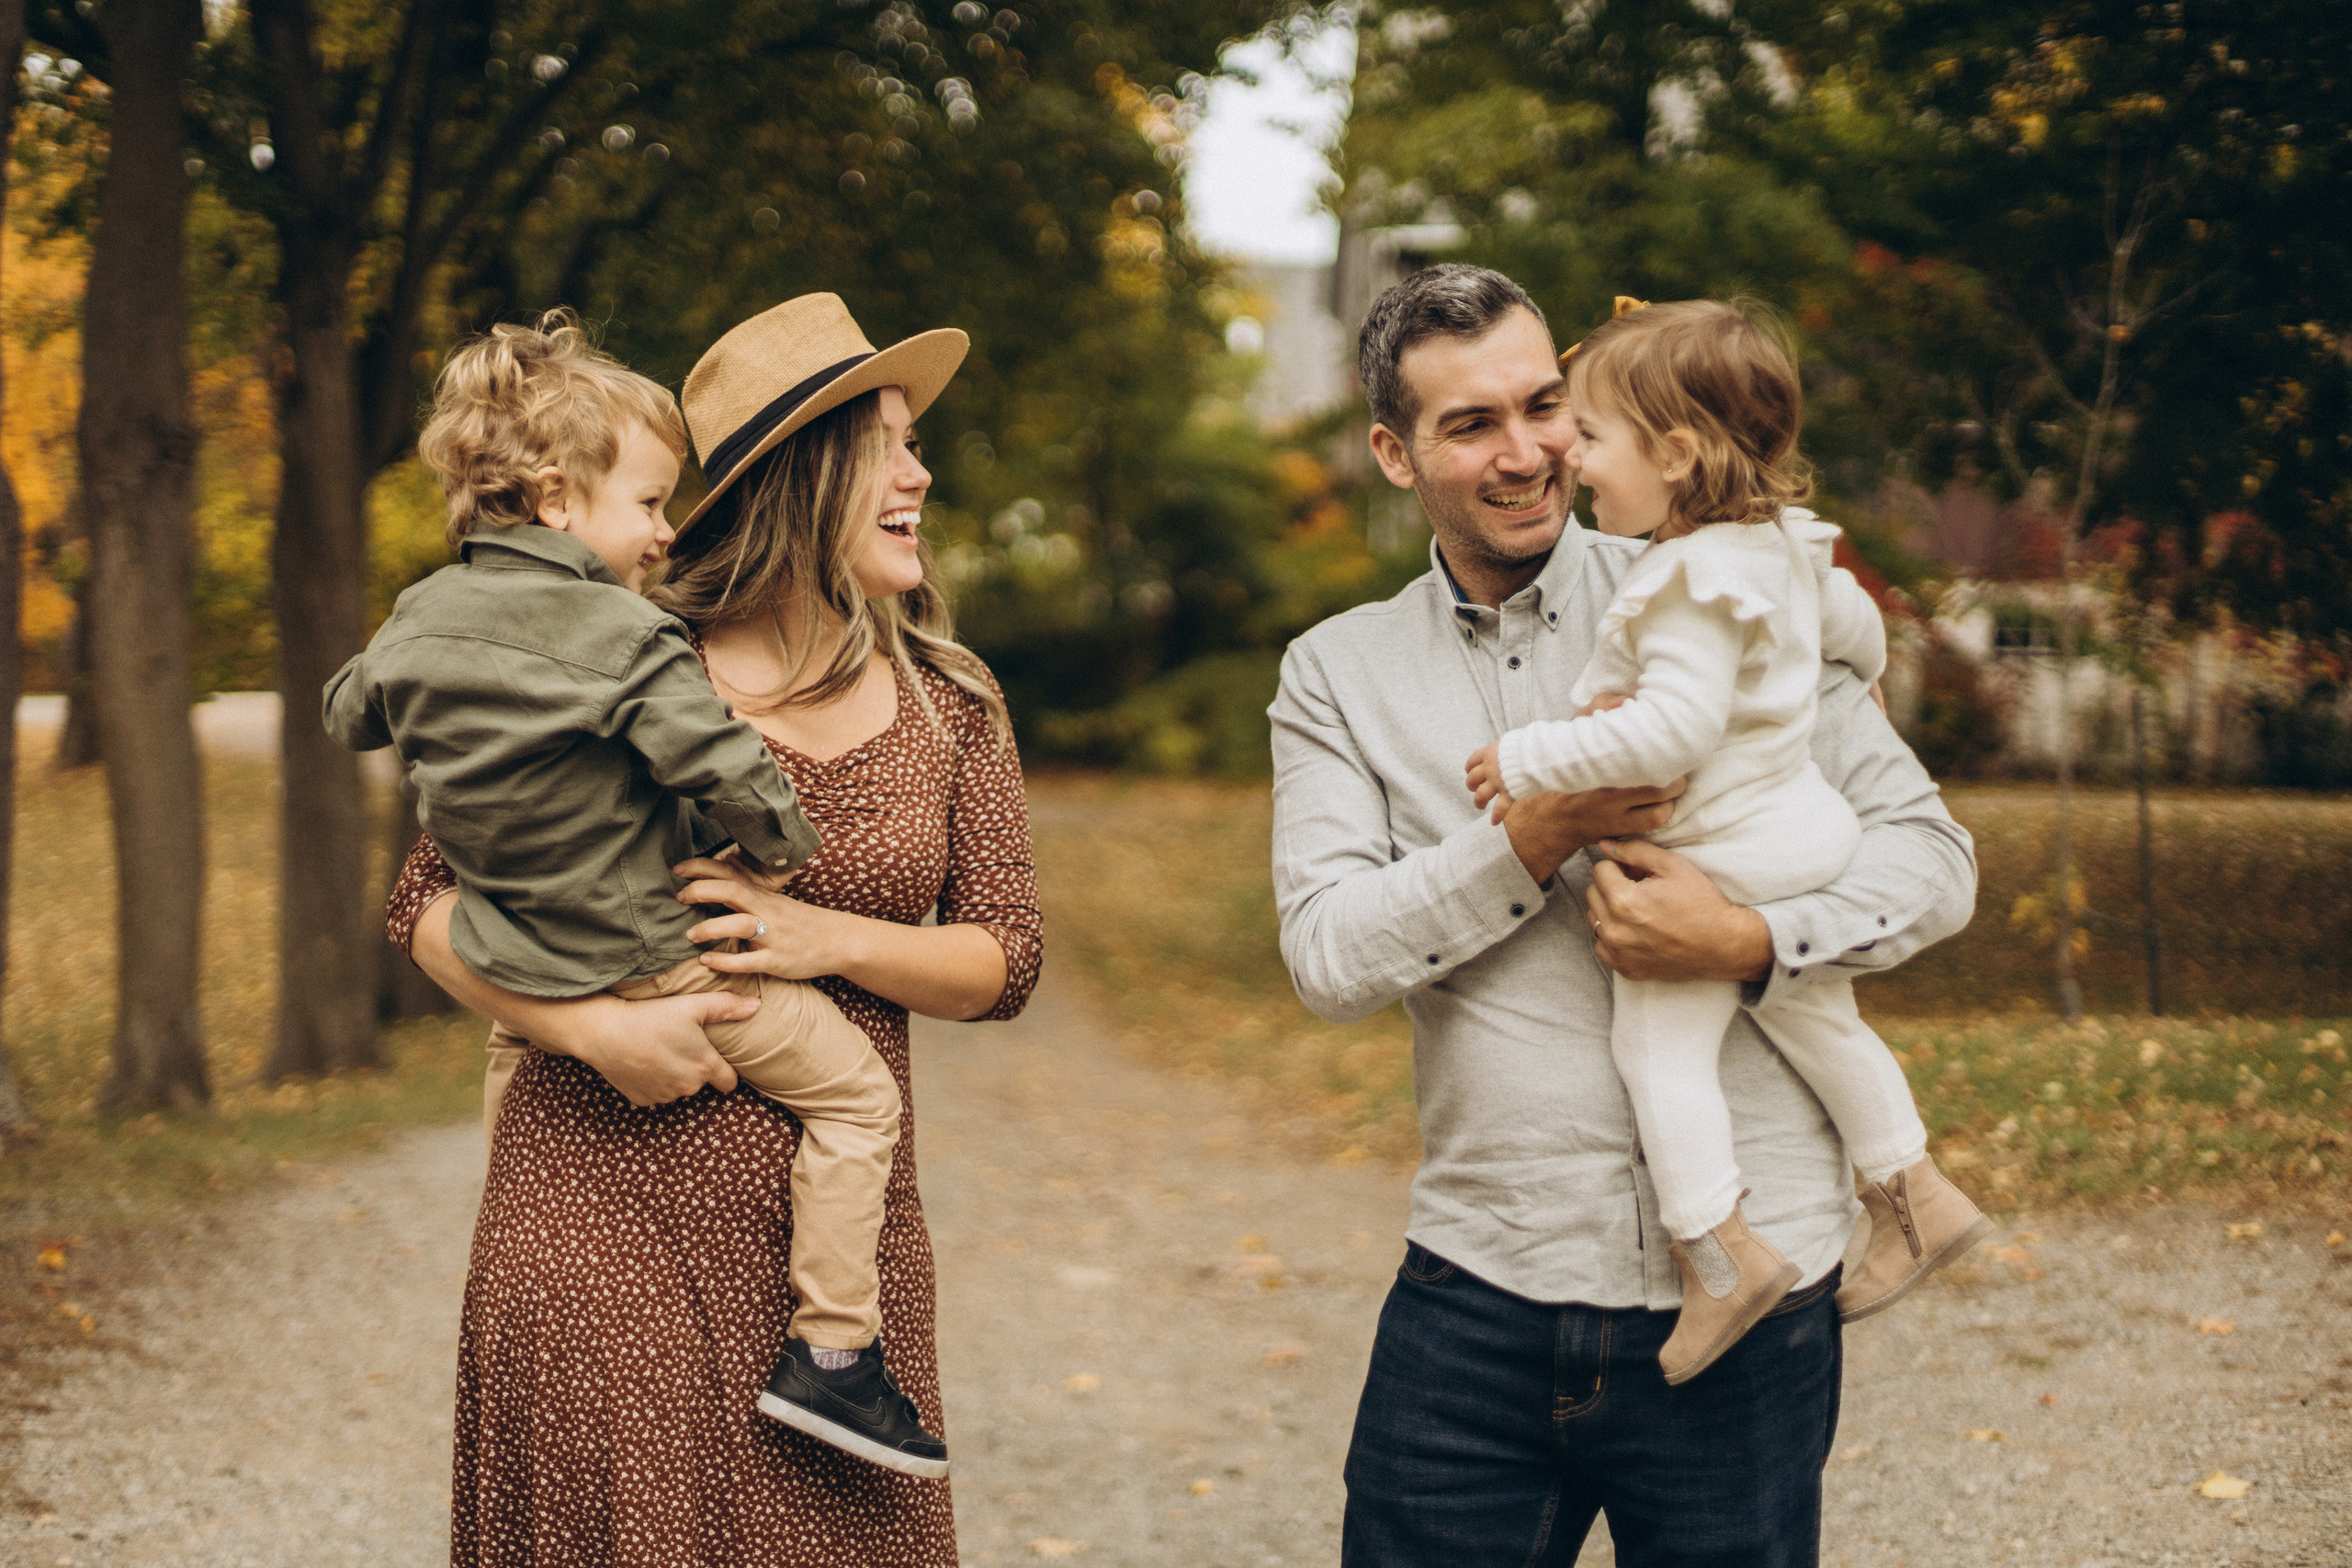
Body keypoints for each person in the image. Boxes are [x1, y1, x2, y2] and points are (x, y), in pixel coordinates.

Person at [1270, 264, 1976, 1567]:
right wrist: (1532, 835)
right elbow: (1327, 954)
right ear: (1392, 450)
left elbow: (1933, 858)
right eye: (1471, 422)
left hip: (1745, 1310)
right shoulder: (1338, 674)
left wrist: (1756, 943)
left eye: (1548, 404)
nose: (1531, 449)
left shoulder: (1716, 584)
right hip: (1478, 1291)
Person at [386, 293, 1041, 1565]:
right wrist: (592, 1029)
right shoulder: (613, 655)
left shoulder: (951, 700)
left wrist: (823, 936)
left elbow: (1005, 960)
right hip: (596, 1220)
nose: (921, 470)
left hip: (835, 1285)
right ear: (801, 473)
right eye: (888, 441)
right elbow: (428, 901)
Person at [1462, 298, 1988, 1385]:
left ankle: (1720, 1251)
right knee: (1815, 1011)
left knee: (1654, 1048)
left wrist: (1528, 760)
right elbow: (1853, 627)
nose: (1574, 456)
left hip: (1735, 851)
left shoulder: (1689, 581)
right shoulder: (1776, 551)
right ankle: (1913, 1194)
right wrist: (1856, 673)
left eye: (1593, 435)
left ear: (1677, 453)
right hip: (1801, 832)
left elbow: (1678, 729)